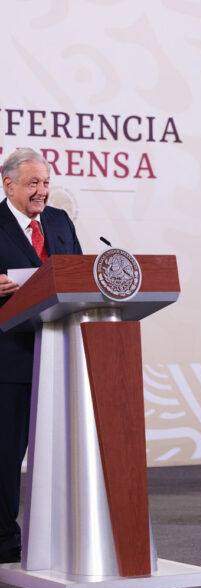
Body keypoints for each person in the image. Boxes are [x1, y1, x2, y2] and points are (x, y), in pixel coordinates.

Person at [0, 148, 82, 563]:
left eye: (46, 183)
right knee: (5, 456)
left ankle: (62, 536)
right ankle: (4, 541)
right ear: (8, 183)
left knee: (63, 452)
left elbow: (81, 275)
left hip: (60, 354)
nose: (42, 192)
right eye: (33, 183)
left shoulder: (60, 222)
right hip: (10, 360)